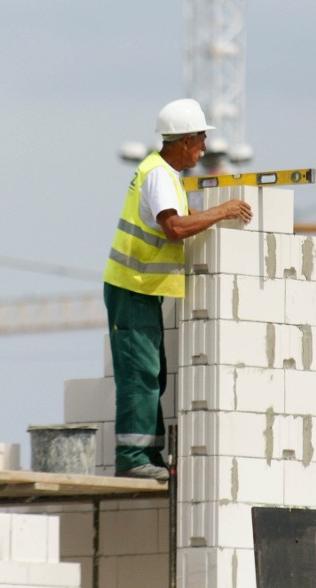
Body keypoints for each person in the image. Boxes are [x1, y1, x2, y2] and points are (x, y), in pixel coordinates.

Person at [103, 98, 253, 480]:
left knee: (152, 372)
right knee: (141, 373)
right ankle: (133, 457)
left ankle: (146, 456)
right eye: (201, 140)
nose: (203, 149)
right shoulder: (159, 175)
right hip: (132, 287)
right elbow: (174, 227)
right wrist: (223, 211)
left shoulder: (162, 173)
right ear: (184, 141)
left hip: (140, 288)